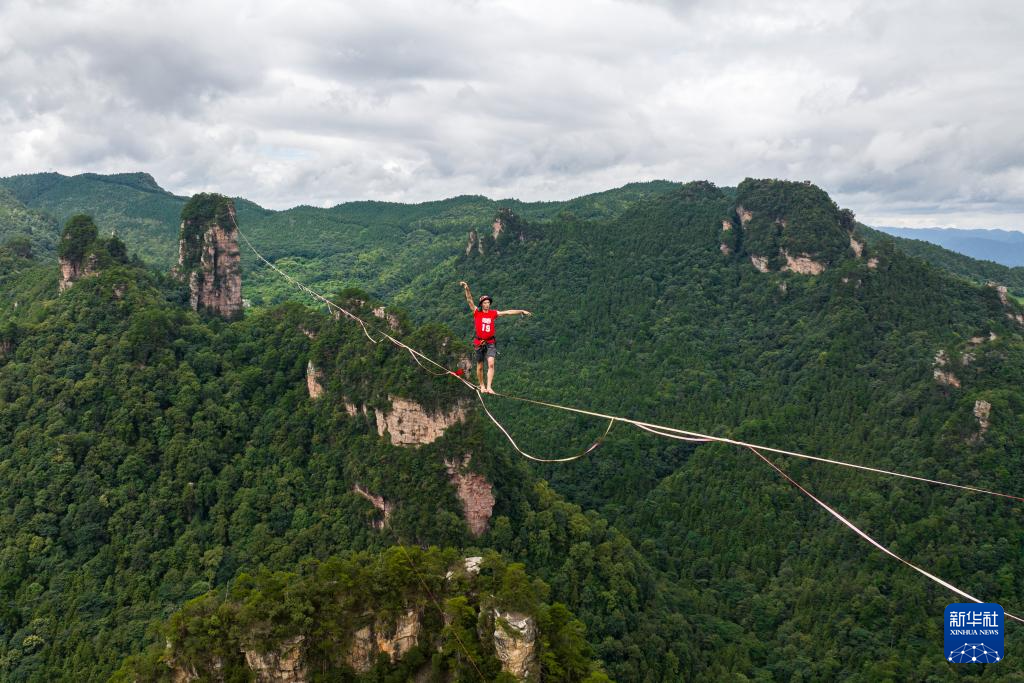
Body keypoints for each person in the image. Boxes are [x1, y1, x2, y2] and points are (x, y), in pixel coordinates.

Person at [458, 281, 531, 394]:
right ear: (481, 304)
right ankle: (482, 385)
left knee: (491, 364)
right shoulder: (477, 312)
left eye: (488, 302)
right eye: (485, 303)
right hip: (479, 343)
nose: (487, 304)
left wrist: (521, 311)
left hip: (490, 342)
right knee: (480, 366)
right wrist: (467, 288)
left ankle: (489, 387)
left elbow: (507, 312)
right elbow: (469, 300)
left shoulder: (493, 313)